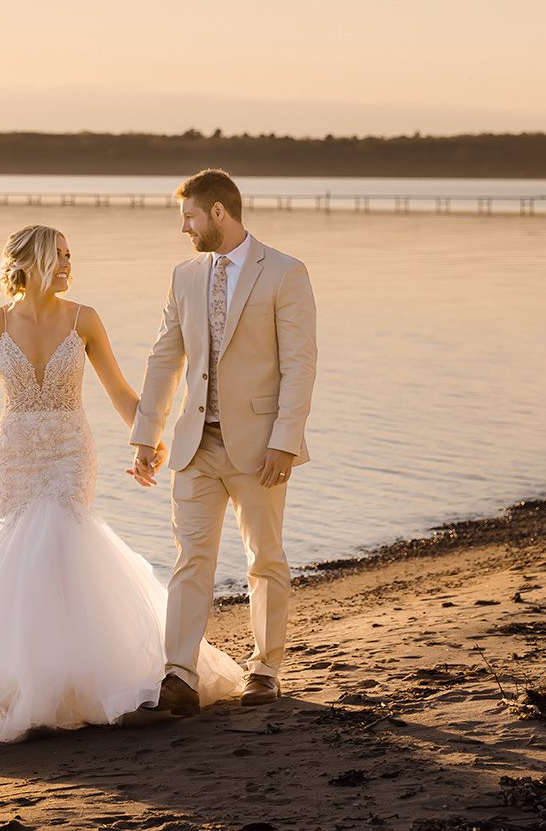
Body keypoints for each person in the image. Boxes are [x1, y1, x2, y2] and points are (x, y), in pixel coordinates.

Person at [0, 225, 245, 744]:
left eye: (69, 255)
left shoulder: (85, 319)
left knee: (61, 544)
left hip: (69, 452)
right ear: (31, 260)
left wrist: (146, 439)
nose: (67, 264)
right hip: (14, 454)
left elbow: (120, 390)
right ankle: (19, 682)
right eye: (58, 256)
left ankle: (79, 681)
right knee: (16, 557)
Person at [125, 168, 317, 721]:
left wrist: (285, 441)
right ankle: (179, 675)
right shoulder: (184, 275)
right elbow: (166, 356)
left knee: (265, 559)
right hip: (194, 446)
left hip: (260, 447)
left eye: (188, 217)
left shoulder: (284, 272)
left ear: (217, 212)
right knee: (191, 560)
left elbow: (300, 366)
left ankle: (265, 670)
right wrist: (147, 434)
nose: (183, 228)